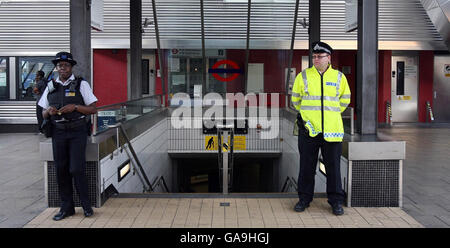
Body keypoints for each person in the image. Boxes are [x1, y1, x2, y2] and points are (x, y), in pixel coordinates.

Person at [291, 41, 351, 216]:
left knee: (333, 168)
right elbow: (296, 102)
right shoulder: (303, 77)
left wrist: (330, 116)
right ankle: (304, 199)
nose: (316, 59)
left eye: (319, 56)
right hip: (309, 130)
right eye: (314, 56)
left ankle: (336, 202)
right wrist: (311, 118)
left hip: (332, 131)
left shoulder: (339, 77)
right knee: (306, 167)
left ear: (329, 58)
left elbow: (344, 101)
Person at [38, 51, 98, 221]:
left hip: (77, 131)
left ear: (71, 67)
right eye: (59, 66)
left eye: (65, 65)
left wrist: (75, 107)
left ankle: (86, 206)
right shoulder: (51, 86)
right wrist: (48, 112)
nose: (62, 68)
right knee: (61, 170)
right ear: (56, 68)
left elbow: (93, 109)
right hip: (58, 132)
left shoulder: (81, 84)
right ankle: (67, 208)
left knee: (76, 169)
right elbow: (43, 112)